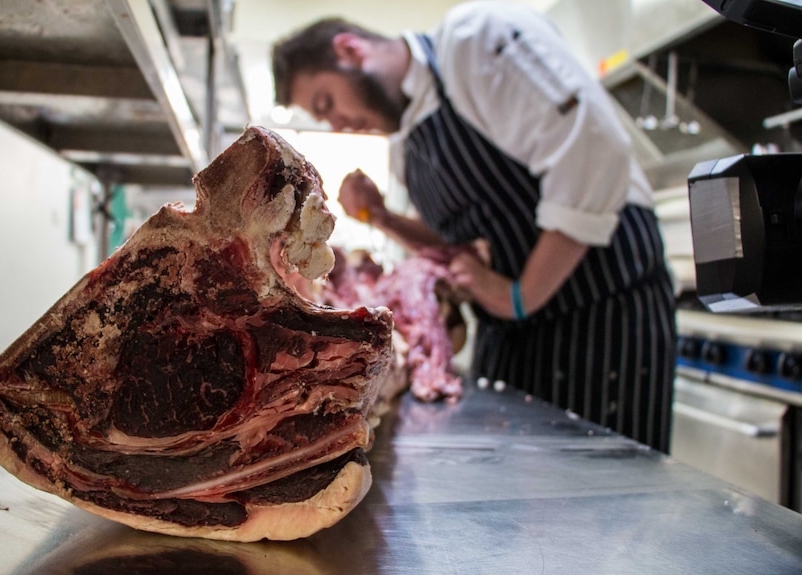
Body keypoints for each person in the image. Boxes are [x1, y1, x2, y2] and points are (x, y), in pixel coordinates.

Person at [271, 1, 677, 452]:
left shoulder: (475, 40)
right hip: (511, 333)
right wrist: (382, 218)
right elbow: (457, 244)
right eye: (323, 119)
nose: (338, 123)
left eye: (327, 103)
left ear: (349, 50)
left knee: (609, 491)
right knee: (520, 497)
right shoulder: (406, 145)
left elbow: (594, 150)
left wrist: (516, 296)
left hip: (603, 310)